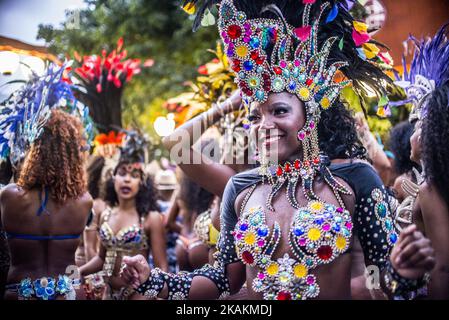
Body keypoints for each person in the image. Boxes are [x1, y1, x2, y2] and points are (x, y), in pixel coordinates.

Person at [120, 0, 435, 300]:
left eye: (279, 111)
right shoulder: (240, 187)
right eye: (255, 116)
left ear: (311, 113)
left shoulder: (354, 177)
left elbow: (377, 273)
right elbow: (222, 280)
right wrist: (154, 280)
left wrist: (401, 273)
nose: (263, 125)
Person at [1, 109, 93, 300]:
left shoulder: (8, 196)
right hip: (68, 292)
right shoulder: (84, 201)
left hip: (20, 293)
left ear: (35, 149)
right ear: (72, 153)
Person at [79, 131, 168, 299]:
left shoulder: (150, 218)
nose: (127, 180)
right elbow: (101, 258)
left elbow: (162, 267)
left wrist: (149, 295)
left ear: (142, 182)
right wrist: (78, 272)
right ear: (113, 178)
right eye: (122, 173)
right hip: (107, 293)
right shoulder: (105, 214)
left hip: (139, 294)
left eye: (134, 175)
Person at [395, 24, 449, 298]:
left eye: (418, 125)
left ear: (432, 134)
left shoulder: (431, 190)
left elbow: (442, 269)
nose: (412, 134)